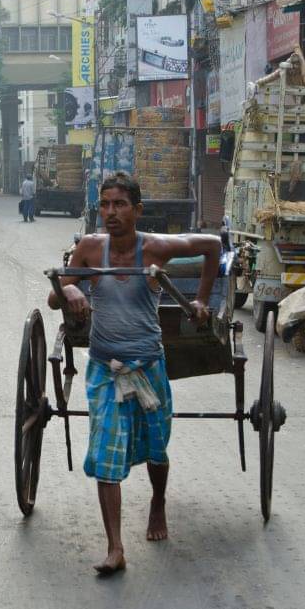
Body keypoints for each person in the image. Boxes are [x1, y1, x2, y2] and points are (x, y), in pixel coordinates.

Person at [47, 173, 221, 575]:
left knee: (157, 448)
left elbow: (212, 247)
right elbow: (55, 297)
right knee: (107, 455)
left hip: (148, 366)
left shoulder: (156, 248)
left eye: (120, 204)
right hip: (104, 368)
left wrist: (200, 299)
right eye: (105, 204)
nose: (111, 212)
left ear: (137, 210)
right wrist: (70, 289)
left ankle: (158, 502)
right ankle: (115, 547)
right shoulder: (89, 249)